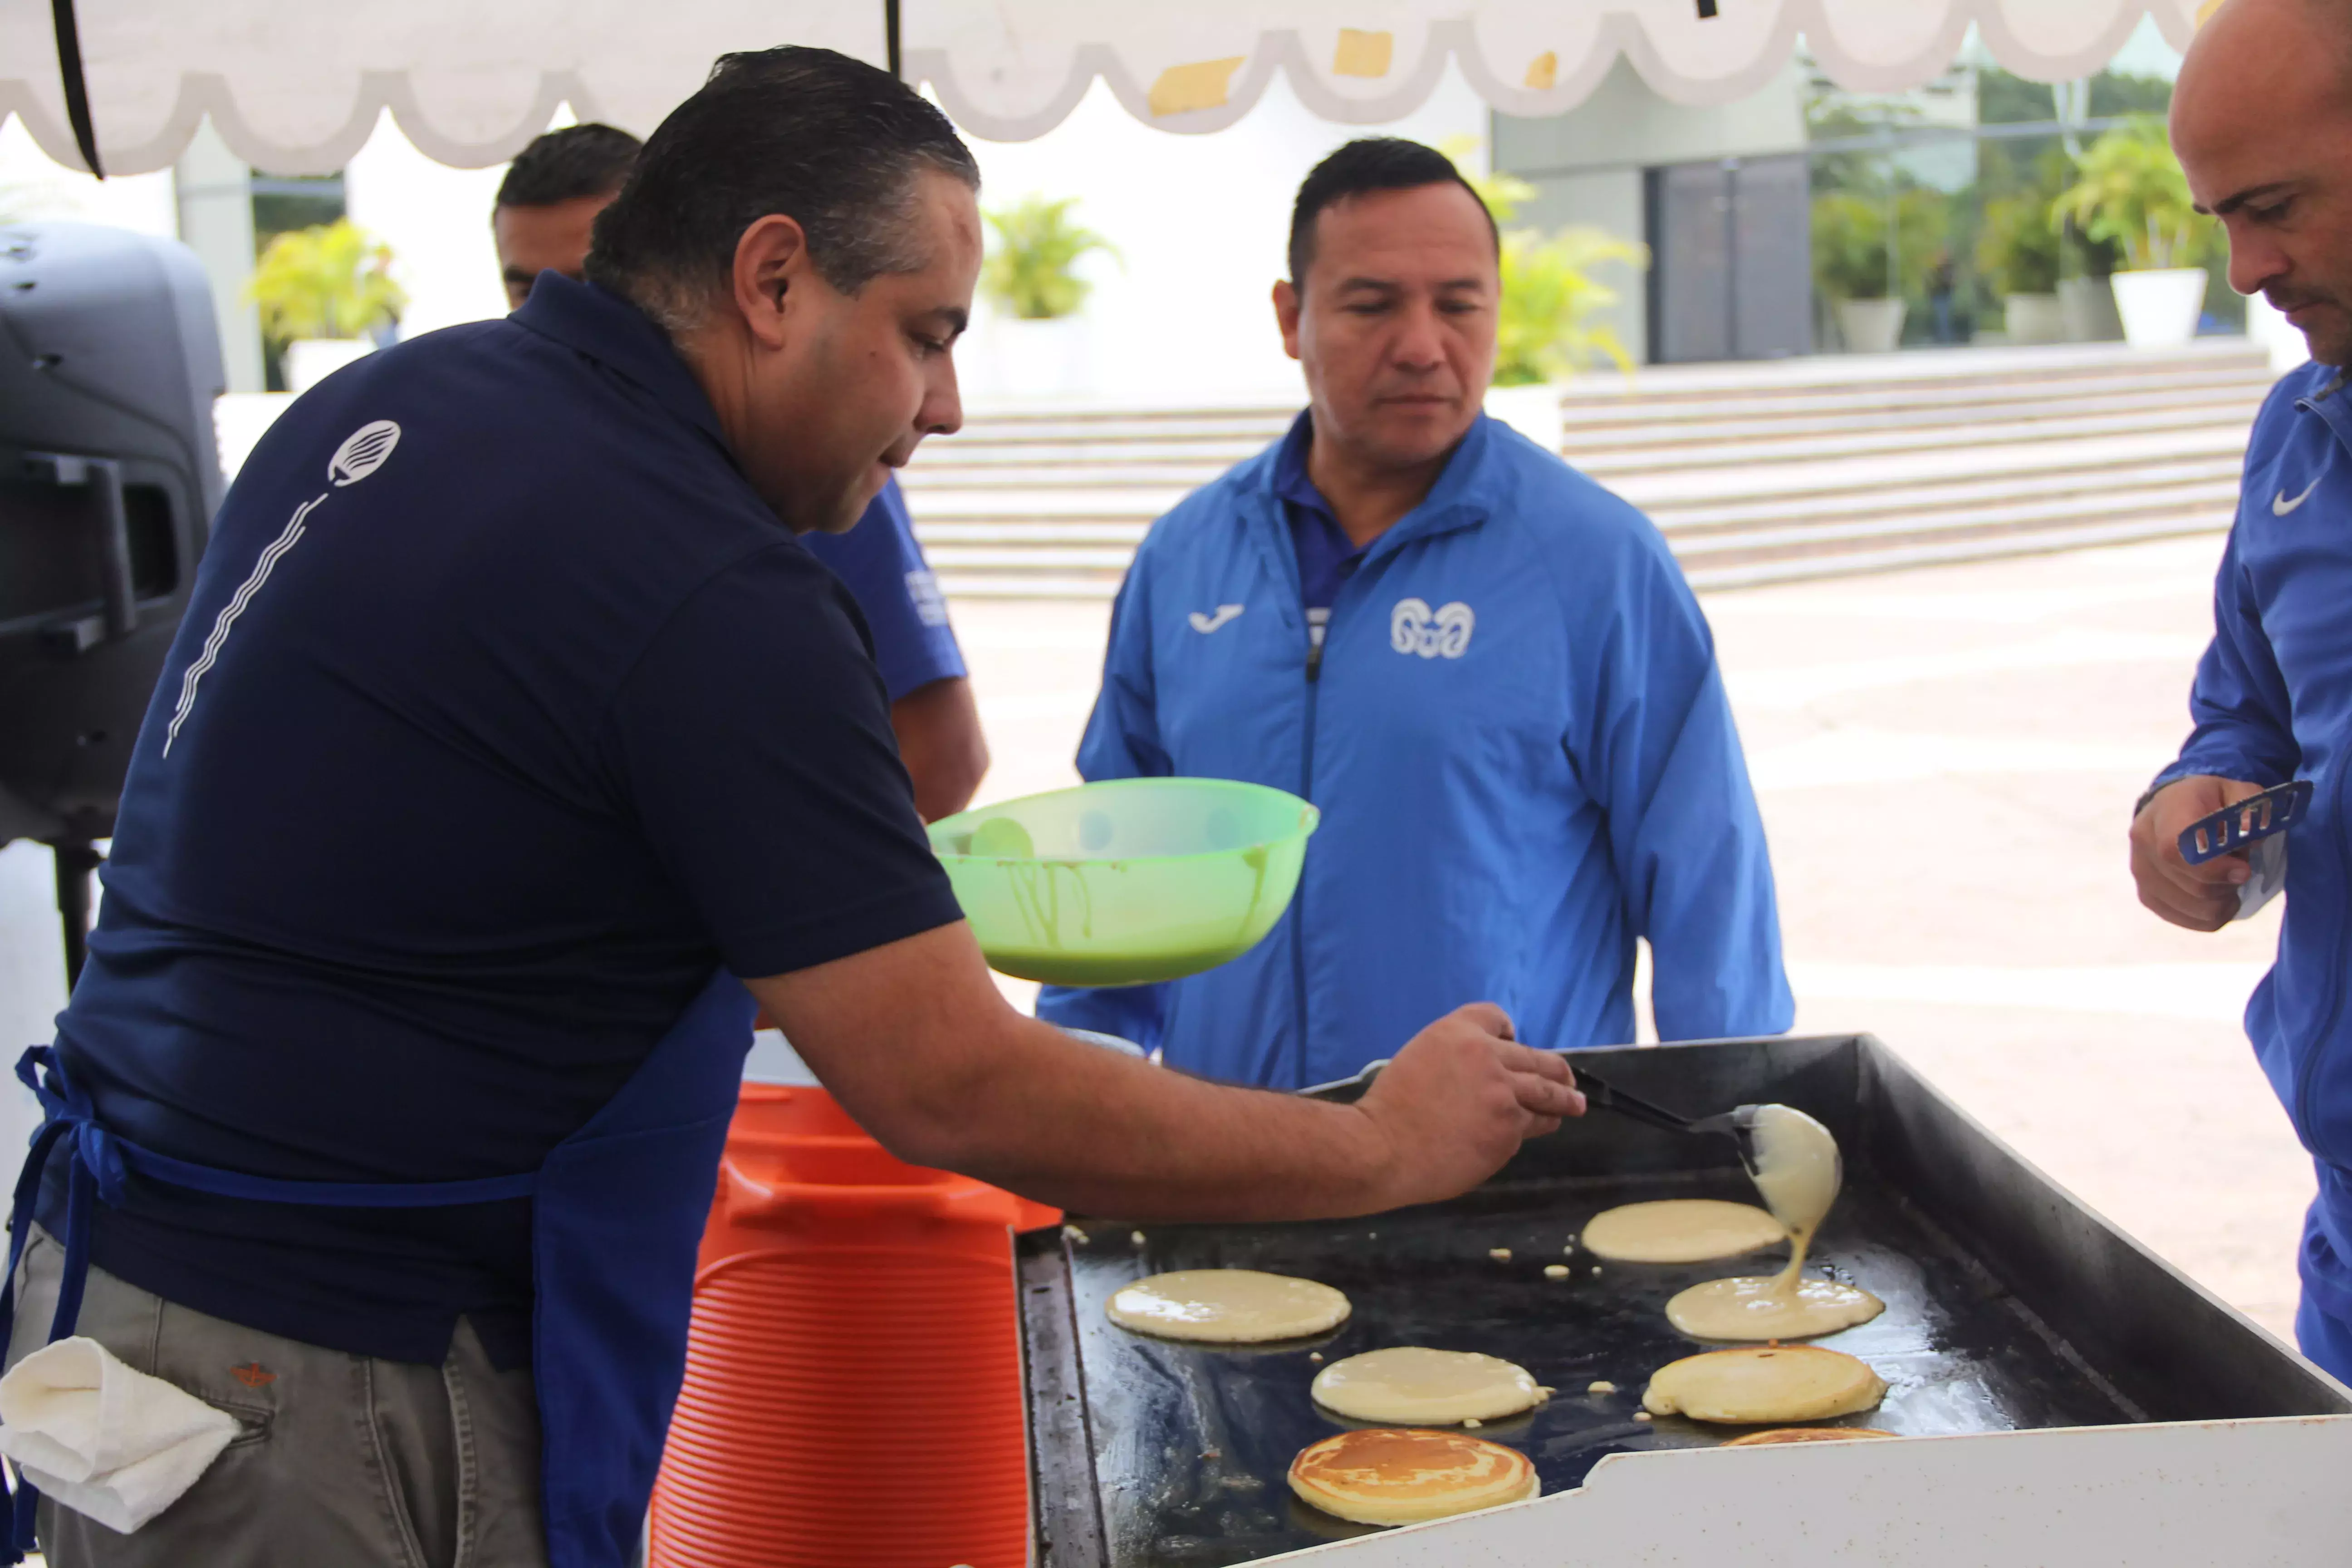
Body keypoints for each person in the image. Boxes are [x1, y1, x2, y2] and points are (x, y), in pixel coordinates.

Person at [2, 52, 1583, 1568]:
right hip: (331, 1372)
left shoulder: (396, 405)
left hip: (126, 1304)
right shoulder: (706, 580)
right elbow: (950, 1082)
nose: (944, 404)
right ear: (771, 281)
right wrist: (1372, 1140)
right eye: (922, 332)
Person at [1039, 138, 1791, 1089]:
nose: (1424, 345)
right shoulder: (1185, 559)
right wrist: (1077, 1095)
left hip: (1501, 1177)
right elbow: (1118, 872)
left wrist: (1730, 1128)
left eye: (1459, 304)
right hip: (1229, 1159)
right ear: (1290, 317)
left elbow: (1707, 890)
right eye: (1372, 304)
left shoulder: (1594, 560)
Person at [494, 122, 987, 821]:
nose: (567, 325)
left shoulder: (811, 467)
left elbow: (943, 755)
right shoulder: (511, 465)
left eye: (593, 290)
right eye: (529, 295)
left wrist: (802, 908)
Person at [2134, 0, 2352, 1386]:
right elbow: (2249, 710)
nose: (2246, 267)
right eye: (2220, 218)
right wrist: (2194, 803)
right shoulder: (2297, 428)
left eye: (2272, 208)